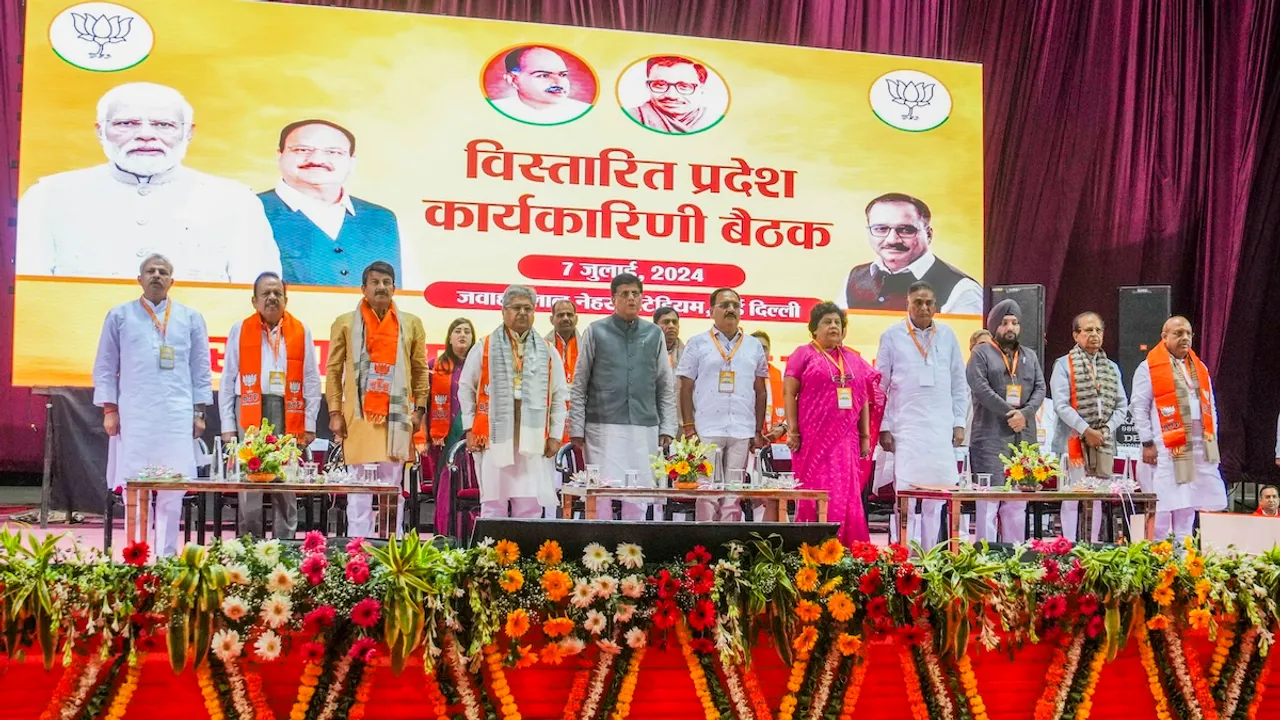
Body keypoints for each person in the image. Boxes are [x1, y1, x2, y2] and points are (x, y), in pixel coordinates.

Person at [17, 82, 279, 283]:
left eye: (163, 124)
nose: (145, 135)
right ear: (99, 131)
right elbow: (27, 291)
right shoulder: (48, 196)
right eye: (126, 123)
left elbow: (257, 293)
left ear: (188, 133)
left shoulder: (234, 201)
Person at [93, 254, 212, 556]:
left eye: (163, 272)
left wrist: (199, 412)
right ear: (139, 279)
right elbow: (106, 365)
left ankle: (167, 556)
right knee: (137, 487)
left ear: (172, 280)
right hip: (135, 416)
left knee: (173, 490)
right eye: (150, 271)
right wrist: (109, 409)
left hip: (176, 416)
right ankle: (137, 555)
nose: (157, 275)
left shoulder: (190, 317)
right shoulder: (119, 316)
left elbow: (200, 368)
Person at [325, 261, 430, 537]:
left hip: (396, 422)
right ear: (363, 288)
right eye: (375, 282)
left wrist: (419, 409)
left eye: (387, 282)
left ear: (395, 287)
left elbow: (420, 370)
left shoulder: (411, 324)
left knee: (393, 492)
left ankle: (388, 550)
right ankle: (358, 550)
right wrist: (335, 412)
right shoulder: (345, 323)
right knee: (358, 492)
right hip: (358, 421)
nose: (381, 287)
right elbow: (334, 371)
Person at [218, 272, 321, 540]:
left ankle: (284, 547)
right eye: (266, 293)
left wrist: (309, 424)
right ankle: (250, 549)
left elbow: (311, 378)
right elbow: (228, 378)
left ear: (286, 299)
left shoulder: (301, 330)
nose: (272, 298)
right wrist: (228, 427)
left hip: (288, 411)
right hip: (250, 409)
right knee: (249, 485)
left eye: (277, 293)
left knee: (285, 484)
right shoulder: (239, 329)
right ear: (254, 300)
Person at [569, 273, 677, 520]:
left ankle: (633, 551)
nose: (631, 298)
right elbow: (579, 383)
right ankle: (600, 554)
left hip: (644, 426)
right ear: (613, 299)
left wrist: (668, 426)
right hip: (602, 426)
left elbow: (664, 384)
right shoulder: (595, 331)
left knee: (638, 493)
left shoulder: (654, 334)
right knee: (602, 491)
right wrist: (577, 427)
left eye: (636, 294)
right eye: (625, 294)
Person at [459, 286, 568, 517]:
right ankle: (490, 554)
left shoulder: (548, 351)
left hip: (533, 435)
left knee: (530, 504)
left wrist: (556, 436)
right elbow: (466, 389)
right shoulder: (484, 346)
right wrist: (469, 428)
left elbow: (559, 395)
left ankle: (526, 554)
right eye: (516, 308)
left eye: (528, 308)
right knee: (493, 504)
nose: (522, 313)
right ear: (503, 311)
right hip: (493, 434)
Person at [875, 281, 968, 550]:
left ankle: (932, 554)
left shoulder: (948, 335)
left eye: (929, 302)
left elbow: (958, 383)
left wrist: (959, 422)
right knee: (905, 494)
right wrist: (883, 426)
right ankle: (903, 555)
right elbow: (880, 385)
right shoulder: (892, 336)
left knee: (937, 495)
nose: (924, 307)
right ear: (908, 304)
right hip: (907, 428)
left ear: (936, 306)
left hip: (940, 429)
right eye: (918, 302)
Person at [784, 302, 885, 544]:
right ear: (814, 329)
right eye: (827, 322)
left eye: (837, 322)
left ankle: (845, 546)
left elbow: (862, 400)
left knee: (845, 493)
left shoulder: (852, 359)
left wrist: (865, 438)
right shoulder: (803, 354)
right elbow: (789, 393)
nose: (833, 326)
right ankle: (811, 547)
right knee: (814, 490)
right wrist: (793, 430)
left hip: (845, 440)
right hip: (811, 439)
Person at [258, 119, 401, 287]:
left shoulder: (383, 219)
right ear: (279, 156)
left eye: (333, 152)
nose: (317, 159)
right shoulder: (250, 210)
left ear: (351, 161)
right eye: (302, 149)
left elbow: (409, 293)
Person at [1129, 316, 1226, 543]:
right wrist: (1147, 443)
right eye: (1178, 333)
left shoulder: (1199, 367)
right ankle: (1159, 551)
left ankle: (1184, 550)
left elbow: (1210, 405)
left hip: (1198, 442)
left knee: (1189, 497)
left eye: (1188, 334)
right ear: (1164, 337)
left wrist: (1212, 439)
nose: (1185, 338)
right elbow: (1139, 407)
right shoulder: (1148, 367)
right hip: (1166, 444)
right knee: (1165, 499)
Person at [676, 288, 769, 521]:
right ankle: (705, 545)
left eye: (735, 306)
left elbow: (760, 390)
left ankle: (730, 548)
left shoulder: (753, 346)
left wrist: (757, 430)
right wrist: (688, 426)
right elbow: (685, 388)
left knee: (733, 492)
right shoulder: (697, 343)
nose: (731, 310)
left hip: (742, 427)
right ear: (711, 311)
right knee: (706, 490)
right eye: (724, 305)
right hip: (706, 428)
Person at [967, 299, 1046, 543]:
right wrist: (1009, 413)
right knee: (988, 501)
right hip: (990, 438)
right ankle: (985, 558)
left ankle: (1015, 555)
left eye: (1014, 322)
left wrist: (1025, 413)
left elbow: (1041, 387)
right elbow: (980, 387)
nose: (1010, 327)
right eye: (1004, 323)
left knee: (1017, 502)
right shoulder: (981, 353)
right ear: (994, 327)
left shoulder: (1030, 356)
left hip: (1023, 437)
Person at [1050, 312, 1127, 542]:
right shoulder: (1063, 365)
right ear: (1076, 335)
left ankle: (1092, 546)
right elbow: (1061, 406)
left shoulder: (1111, 368)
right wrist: (1086, 430)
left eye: (1098, 330)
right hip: (1072, 442)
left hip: (1102, 443)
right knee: (1073, 497)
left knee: (1096, 498)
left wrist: (1104, 431)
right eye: (1088, 330)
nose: (1094, 335)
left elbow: (1122, 405)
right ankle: (1070, 545)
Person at [836, 193, 982, 315]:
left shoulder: (962, 289)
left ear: (929, 235)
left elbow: (959, 346)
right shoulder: (855, 277)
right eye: (881, 229)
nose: (892, 239)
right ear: (869, 232)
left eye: (906, 230)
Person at [425, 318, 476, 534]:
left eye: (467, 331)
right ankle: (445, 534)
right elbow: (424, 404)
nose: (462, 334)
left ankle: (471, 534)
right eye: (457, 331)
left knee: (471, 488)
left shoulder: (480, 367)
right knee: (446, 488)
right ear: (449, 337)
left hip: (473, 439)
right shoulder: (434, 366)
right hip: (443, 439)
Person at [491, 46, 592, 125]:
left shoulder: (584, 112)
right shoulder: (492, 112)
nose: (558, 82)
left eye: (562, 75)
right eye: (544, 75)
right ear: (513, 80)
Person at [625, 56, 718, 134]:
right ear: (647, 86)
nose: (671, 95)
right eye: (660, 85)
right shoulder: (632, 117)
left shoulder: (713, 120)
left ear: (701, 90)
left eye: (684, 86)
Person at [751, 331, 788, 443]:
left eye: (764, 348)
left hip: (777, 443)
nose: (760, 352)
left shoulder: (783, 376)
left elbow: (796, 408)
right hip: (747, 443)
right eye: (755, 348)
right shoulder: (740, 377)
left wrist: (783, 428)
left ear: (769, 350)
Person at [655, 306, 687, 433]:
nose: (671, 326)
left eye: (675, 322)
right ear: (655, 326)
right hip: (654, 424)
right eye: (666, 322)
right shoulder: (645, 352)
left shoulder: (689, 354)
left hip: (682, 425)